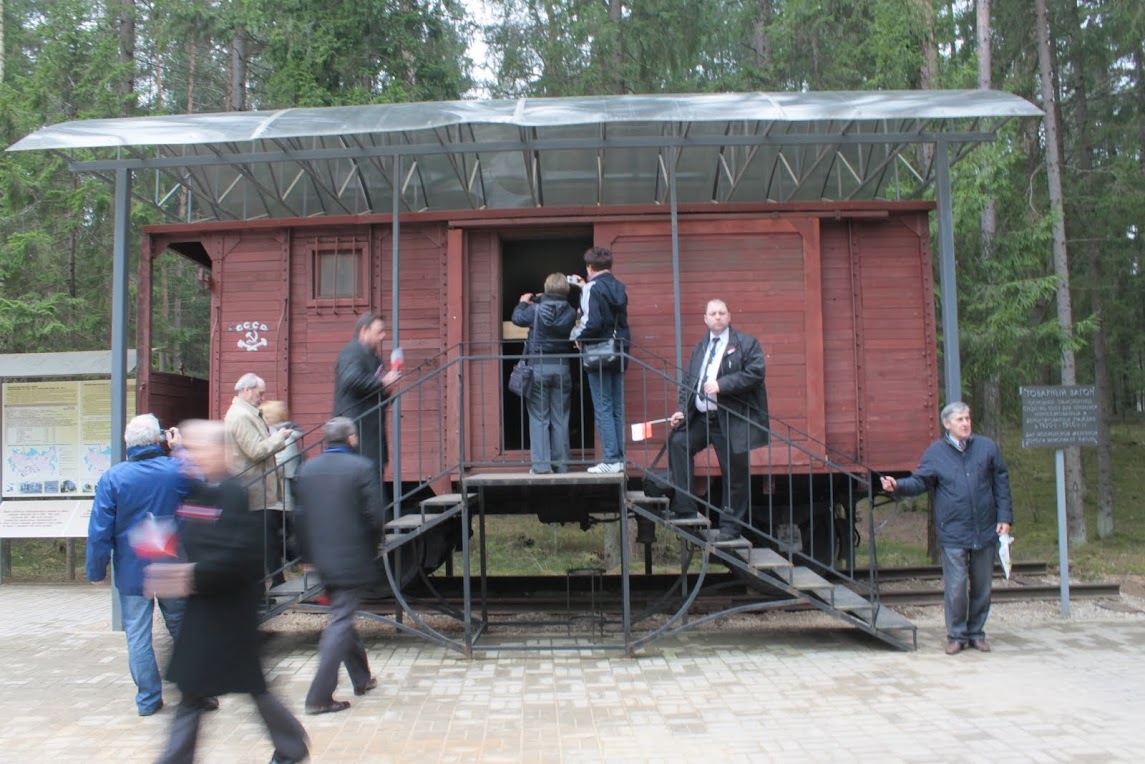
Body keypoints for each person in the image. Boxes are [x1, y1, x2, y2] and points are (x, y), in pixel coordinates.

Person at [146, 420, 309, 764]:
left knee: (249, 687)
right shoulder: (201, 491)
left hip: (228, 615)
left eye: (200, 448)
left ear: (221, 452)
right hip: (206, 614)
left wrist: (190, 574)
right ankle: (291, 747)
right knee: (198, 693)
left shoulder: (233, 492)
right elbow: (195, 533)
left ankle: (292, 747)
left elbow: (239, 555)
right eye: (190, 449)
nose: (193, 455)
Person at [86, 414, 201, 717]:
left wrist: (96, 570)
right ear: (157, 439)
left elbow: (100, 529)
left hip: (133, 569)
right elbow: (203, 483)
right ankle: (196, 693)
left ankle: (148, 700)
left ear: (127, 443)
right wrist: (180, 450)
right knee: (182, 629)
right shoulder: (174, 469)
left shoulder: (113, 477)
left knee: (137, 635)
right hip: (170, 562)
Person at [881, 402, 1013, 655]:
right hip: (953, 530)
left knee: (983, 587)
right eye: (960, 419)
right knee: (956, 587)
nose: (965, 423)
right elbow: (920, 481)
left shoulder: (987, 448)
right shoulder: (936, 452)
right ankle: (956, 635)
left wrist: (1004, 516)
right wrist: (897, 485)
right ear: (947, 424)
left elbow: (1001, 483)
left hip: (985, 529)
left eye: (968, 418)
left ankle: (976, 633)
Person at [294, 417, 386, 715]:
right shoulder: (362, 467)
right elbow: (375, 517)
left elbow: (300, 518)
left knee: (342, 617)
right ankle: (318, 697)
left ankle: (362, 678)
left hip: (321, 558)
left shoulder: (308, 469)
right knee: (341, 622)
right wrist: (372, 548)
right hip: (352, 557)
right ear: (350, 439)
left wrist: (307, 557)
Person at [667, 299, 769, 542]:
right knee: (679, 442)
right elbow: (688, 383)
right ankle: (686, 508)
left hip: (731, 418)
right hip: (702, 418)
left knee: (735, 473)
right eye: (713, 313)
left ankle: (730, 528)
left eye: (722, 312)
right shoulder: (701, 347)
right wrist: (681, 409)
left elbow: (755, 373)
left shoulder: (746, 343)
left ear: (729, 316)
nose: (718, 317)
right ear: (705, 319)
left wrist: (722, 385)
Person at [569, 246, 630, 474]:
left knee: (603, 406)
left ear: (589, 267)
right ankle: (619, 459)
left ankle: (611, 459)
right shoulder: (619, 286)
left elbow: (592, 323)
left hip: (599, 353)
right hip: (619, 350)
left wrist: (577, 336)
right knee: (616, 407)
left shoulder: (591, 289)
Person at [511, 273, 578, 474]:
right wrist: (543, 298)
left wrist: (523, 302)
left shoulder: (535, 310)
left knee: (539, 417)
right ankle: (561, 465)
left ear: (547, 289)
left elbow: (517, 319)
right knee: (560, 417)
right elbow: (555, 307)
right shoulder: (571, 312)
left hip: (539, 366)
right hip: (562, 367)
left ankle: (541, 466)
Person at [333, 313, 401, 480]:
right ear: (364, 331)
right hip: (356, 432)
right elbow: (351, 379)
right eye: (379, 332)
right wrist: (383, 382)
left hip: (371, 435)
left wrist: (388, 392)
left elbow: (375, 395)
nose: (383, 336)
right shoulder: (352, 352)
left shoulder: (374, 359)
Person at [224, 373, 290, 512]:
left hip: (252, 491)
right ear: (247, 390)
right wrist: (280, 437)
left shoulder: (243, 413)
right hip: (253, 492)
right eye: (260, 393)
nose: (263, 398)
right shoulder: (241, 416)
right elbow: (257, 451)